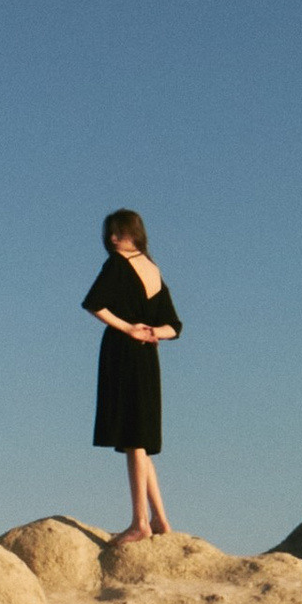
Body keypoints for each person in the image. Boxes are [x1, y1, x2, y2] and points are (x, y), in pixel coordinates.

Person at [82, 207, 182, 537]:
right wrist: (153, 332)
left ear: (134, 233)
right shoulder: (153, 270)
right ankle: (160, 520)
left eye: (119, 232)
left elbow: (94, 303)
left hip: (124, 354)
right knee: (138, 441)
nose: (112, 239)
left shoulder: (118, 265)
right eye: (109, 233)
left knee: (134, 441)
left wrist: (129, 329)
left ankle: (140, 523)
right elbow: (174, 326)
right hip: (147, 359)